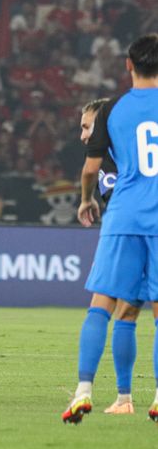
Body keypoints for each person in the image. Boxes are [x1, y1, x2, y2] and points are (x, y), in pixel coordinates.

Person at [68, 33, 158, 424]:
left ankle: (82, 392)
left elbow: (91, 169)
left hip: (123, 215)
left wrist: (87, 199)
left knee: (101, 305)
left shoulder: (113, 109)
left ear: (128, 64)